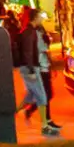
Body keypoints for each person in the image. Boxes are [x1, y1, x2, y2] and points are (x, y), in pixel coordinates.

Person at [13, 7, 61, 137]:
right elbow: (28, 51)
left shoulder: (31, 31)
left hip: (30, 67)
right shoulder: (30, 32)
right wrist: (31, 69)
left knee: (31, 95)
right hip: (31, 68)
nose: (43, 19)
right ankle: (45, 126)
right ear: (35, 18)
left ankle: (12, 113)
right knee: (42, 97)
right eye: (41, 16)